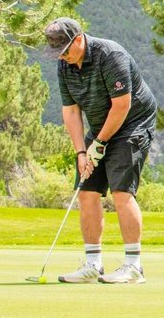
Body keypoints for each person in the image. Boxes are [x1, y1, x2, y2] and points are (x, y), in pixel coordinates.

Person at [43, 17, 157, 284]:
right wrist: (81, 152)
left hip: (132, 124)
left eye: (66, 50)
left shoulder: (110, 55)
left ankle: (133, 267)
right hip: (99, 126)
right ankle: (93, 265)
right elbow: (71, 111)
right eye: (58, 52)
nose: (63, 56)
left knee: (121, 192)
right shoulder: (65, 64)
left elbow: (122, 106)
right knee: (86, 192)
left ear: (79, 38)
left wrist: (101, 143)